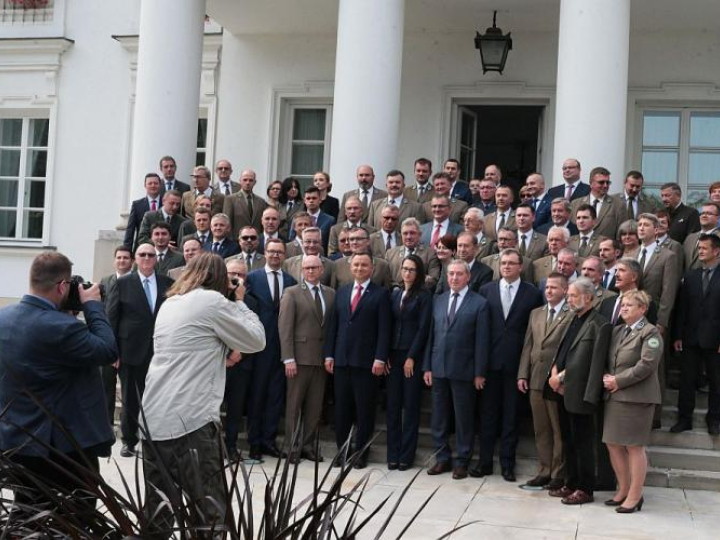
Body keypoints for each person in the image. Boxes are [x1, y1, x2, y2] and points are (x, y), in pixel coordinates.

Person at [141, 252, 265, 534]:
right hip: (191, 422)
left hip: (153, 418)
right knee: (209, 515)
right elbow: (256, 339)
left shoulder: (169, 303)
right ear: (220, 278)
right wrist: (240, 300)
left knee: (157, 515)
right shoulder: (213, 301)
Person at [0, 252, 117, 509]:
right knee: (77, 516)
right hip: (60, 450)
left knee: (28, 515)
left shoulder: (4, 318)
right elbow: (108, 350)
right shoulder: (60, 328)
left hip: (15, 443)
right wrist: (93, 305)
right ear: (63, 286)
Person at [473, 249, 543, 481]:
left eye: (512, 263)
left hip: (516, 365)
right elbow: (480, 332)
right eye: (503, 263)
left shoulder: (532, 293)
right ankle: (484, 463)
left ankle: (507, 465)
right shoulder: (486, 290)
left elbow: (534, 331)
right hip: (490, 364)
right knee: (487, 415)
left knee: (510, 417)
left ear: (520, 266)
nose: (506, 267)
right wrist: (479, 369)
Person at [324, 251, 391, 469]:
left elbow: (384, 330)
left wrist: (380, 358)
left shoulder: (381, 294)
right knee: (342, 410)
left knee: (364, 411)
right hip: (342, 361)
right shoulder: (342, 293)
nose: (360, 268)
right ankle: (342, 451)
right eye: (356, 265)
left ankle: (361, 453)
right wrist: (329, 354)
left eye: (364, 265)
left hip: (367, 363)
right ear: (350, 268)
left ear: (372, 268)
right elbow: (334, 325)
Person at [107, 242, 174, 457]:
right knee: (130, 399)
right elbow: (112, 318)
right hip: (130, 351)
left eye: (150, 255)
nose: (146, 258)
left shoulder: (168, 283)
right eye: (142, 254)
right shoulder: (123, 283)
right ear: (135, 258)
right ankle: (128, 440)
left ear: (156, 259)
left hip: (161, 351)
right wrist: (112, 351)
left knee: (158, 398)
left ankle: (154, 440)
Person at [423, 259, 489, 479]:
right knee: (439, 418)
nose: (454, 278)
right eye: (450, 274)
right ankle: (442, 458)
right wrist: (427, 367)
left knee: (463, 418)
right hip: (439, 368)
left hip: (465, 370)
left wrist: (479, 372)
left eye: (459, 274)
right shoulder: (438, 300)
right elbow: (431, 336)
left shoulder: (479, 303)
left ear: (468, 277)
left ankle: (462, 460)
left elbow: (482, 341)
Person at [547, 277, 611, 505]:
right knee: (568, 440)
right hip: (562, 391)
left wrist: (588, 394)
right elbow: (563, 352)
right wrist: (554, 375)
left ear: (589, 297)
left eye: (574, 295)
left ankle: (585, 488)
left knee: (584, 443)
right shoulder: (573, 319)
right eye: (569, 295)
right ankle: (571, 482)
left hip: (581, 392)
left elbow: (594, 363)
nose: (569, 299)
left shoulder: (600, 324)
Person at [603, 290, 662, 513]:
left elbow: (647, 364)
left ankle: (635, 496)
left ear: (643, 309)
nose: (624, 308)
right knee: (613, 443)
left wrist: (618, 380)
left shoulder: (650, 332)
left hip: (637, 398)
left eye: (629, 305)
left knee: (634, 447)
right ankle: (623, 490)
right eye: (623, 304)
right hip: (615, 395)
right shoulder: (618, 331)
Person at [517, 272, 573, 490]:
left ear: (565, 290)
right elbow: (528, 346)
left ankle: (559, 473)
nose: (549, 291)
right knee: (541, 429)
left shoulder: (570, 315)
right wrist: (523, 374)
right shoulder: (536, 313)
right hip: (535, 379)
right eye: (547, 287)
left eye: (554, 287)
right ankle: (544, 470)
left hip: (556, 382)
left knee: (558, 429)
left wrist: (562, 376)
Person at [279, 255, 336, 463]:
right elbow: (284, 328)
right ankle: (291, 447)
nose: (311, 271)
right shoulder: (292, 293)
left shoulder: (331, 294)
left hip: (321, 360)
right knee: (294, 405)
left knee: (315, 406)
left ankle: (308, 445)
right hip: (299, 358)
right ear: (302, 270)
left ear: (321, 269)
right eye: (307, 268)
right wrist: (288, 358)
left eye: (314, 267)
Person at [245, 238, 297, 460]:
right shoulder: (252, 278)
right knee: (257, 396)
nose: (275, 255)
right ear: (264, 253)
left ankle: (269, 440)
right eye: (272, 251)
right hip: (259, 345)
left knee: (276, 397)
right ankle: (254, 442)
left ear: (284, 255)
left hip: (282, 347)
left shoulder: (291, 281)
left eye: (279, 252)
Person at [671, 234, 720, 435]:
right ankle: (684, 419)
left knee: (717, 382)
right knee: (687, 380)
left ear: (716, 251)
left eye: (704, 248)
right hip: (690, 337)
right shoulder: (690, 276)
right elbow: (682, 308)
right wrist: (678, 336)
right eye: (699, 248)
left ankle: (715, 420)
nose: (699, 251)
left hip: (715, 339)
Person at [386, 254, 432, 470]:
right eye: (404, 268)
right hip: (394, 355)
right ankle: (392, 454)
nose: (407, 272)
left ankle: (406, 455)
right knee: (393, 406)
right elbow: (388, 325)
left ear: (419, 272)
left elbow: (423, 329)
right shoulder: (395, 293)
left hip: (411, 356)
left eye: (412, 269)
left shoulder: (423, 295)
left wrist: (412, 357)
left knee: (411, 407)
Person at [100, 245, 134, 423]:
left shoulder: (136, 282)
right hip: (107, 343)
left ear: (132, 261)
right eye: (119, 257)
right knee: (106, 387)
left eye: (125, 258)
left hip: (129, 345)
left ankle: (129, 427)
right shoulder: (105, 281)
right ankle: (106, 425)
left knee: (129, 391)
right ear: (114, 261)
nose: (122, 261)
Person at [386, 217, 442, 289]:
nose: (408, 237)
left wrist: (411, 281)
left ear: (420, 234)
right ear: (401, 235)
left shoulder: (431, 253)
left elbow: (433, 279)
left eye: (412, 233)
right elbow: (386, 279)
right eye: (405, 233)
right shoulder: (390, 254)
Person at [570, 166, 623, 239]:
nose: (605, 185)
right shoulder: (575, 204)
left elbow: (621, 233)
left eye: (608, 183)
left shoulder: (618, 205)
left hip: (606, 248)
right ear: (591, 183)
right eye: (601, 182)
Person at [223, 169, 269, 238]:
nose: (247, 182)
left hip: (256, 241)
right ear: (240, 181)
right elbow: (227, 223)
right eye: (245, 180)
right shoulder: (230, 199)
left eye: (251, 180)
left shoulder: (261, 201)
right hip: (237, 242)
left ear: (255, 182)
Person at [124, 172, 163, 251]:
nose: (153, 185)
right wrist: (127, 251)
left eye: (156, 183)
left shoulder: (166, 203)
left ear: (160, 185)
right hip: (141, 248)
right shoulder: (137, 205)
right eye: (150, 183)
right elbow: (130, 230)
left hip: (162, 248)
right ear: (145, 186)